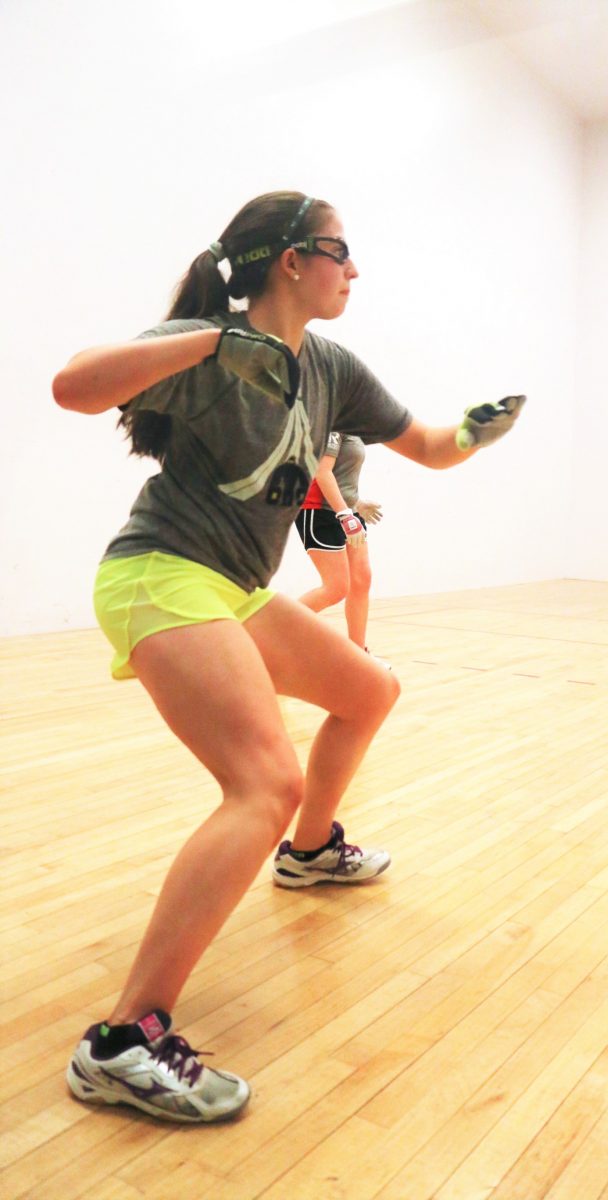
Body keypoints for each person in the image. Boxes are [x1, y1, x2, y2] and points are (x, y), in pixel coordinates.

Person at [52, 190, 525, 1125]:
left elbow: (428, 446)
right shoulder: (205, 345)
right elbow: (74, 387)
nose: (355, 269)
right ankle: (121, 1042)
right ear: (290, 260)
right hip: (159, 572)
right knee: (262, 782)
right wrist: (211, 344)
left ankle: (310, 854)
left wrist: (474, 430)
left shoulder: (331, 367)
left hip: (231, 584)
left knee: (368, 690)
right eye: (341, 252)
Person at [295, 431, 387, 662]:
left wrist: (355, 503)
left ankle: (358, 656)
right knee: (336, 588)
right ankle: (268, 629)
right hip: (320, 512)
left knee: (361, 580)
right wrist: (345, 514)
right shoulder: (332, 423)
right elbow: (322, 472)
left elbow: (341, 476)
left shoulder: (352, 426)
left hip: (346, 510)